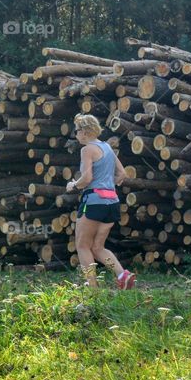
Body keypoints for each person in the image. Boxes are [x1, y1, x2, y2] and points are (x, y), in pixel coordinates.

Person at [65, 113, 136, 289]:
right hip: (112, 202)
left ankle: (92, 288)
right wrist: (108, 185)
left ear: (86, 132)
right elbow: (122, 174)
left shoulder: (87, 149)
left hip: (94, 201)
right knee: (98, 247)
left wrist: (74, 185)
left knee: (82, 246)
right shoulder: (107, 147)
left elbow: (87, 178)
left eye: (77, 131)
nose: (76, 134)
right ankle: (122, 275)